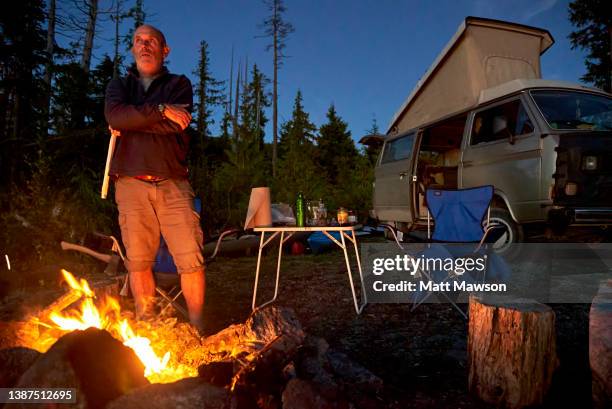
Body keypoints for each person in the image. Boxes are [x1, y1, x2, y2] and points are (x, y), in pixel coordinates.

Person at [104, 24, 205, 331]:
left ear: (165, 50)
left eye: (152, 41)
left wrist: (133, 119)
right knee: (138, 261)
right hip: (130, 183)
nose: (144, 45)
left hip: (173, 181)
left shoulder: (179, 84)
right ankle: (148, 329)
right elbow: (115, 117)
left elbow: (177, 126)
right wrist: (161, 110)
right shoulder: (119, 86)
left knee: (190, 259)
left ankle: (199, 329)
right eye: (139, 41)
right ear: (133, 48)